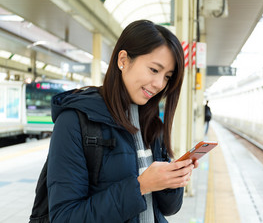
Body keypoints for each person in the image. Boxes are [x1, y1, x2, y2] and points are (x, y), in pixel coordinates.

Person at [47, 20, 198, 223]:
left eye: (167, 77)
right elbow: (64, 218)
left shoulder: (152, 124)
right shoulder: (74, 121)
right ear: (123, 60)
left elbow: (169, 209)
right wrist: (142, 186)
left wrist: (172, 180)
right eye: (154, 70)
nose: (159, 84)